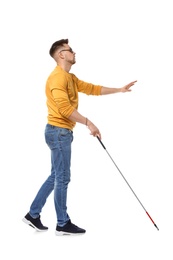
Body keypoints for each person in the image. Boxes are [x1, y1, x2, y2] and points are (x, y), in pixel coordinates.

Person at [23, 39, 137, 235]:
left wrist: (119, 89)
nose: (74, 52)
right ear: (61, 55)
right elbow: (65, 109)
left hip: (60, 132)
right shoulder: (57, 78)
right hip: (59, 132)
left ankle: (33, 215)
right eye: (70, 50)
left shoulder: (70, 77)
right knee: (63, 178)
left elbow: (93, 89)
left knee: (56, 176)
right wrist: (89, 123)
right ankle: (62, 223)